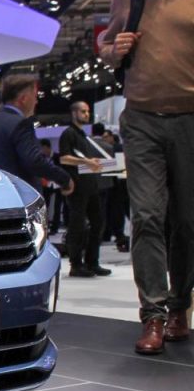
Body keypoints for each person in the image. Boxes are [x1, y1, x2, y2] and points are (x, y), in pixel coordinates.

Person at [97, 0, 193, 354]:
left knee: (186, 222)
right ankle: (152, 314)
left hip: (190, 119)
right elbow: (104, 46)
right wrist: (113, 50)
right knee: (148, 217)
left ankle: (180, 306)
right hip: (140, 120)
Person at [0, 74, 75, 196]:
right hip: (21, 197)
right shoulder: (20, 124)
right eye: (35, 96)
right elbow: (34, 161)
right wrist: (64, 179)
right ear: (23, 99)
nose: (36, 101)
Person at [58, 101, 111, 278]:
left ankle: (92, 262)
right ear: (74, 113)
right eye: (83, 111)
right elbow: (64, 158)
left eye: (88, 111)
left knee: (98, 223)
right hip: (77, 186)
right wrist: (86, 161)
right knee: (77, 225)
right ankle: (76, 264)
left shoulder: (83, 135)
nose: (87, 114)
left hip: (91, 185)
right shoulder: (68, 133)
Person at [39, 138, 65, 234]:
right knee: (45, 206)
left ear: (47, 147)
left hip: (58, 184)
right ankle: (45, 227)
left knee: (57, 207)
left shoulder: (58, 157)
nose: (42, 151)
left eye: (42, 149)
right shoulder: (41, 158)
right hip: (46, 184)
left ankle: (55, 228)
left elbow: (62, 170)